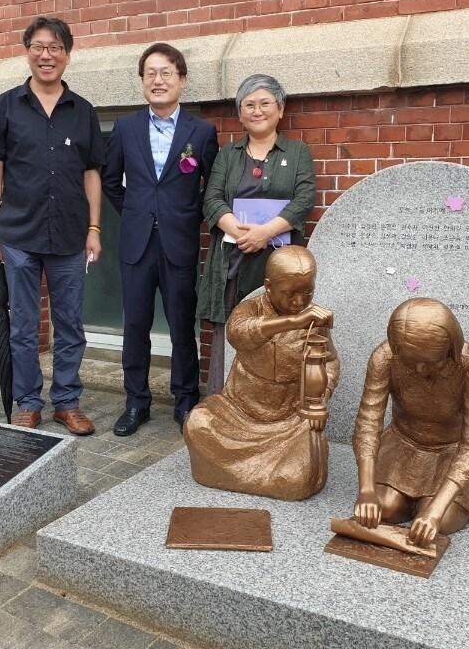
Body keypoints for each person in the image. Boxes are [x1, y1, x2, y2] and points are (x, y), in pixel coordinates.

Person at [0, 16, 104, 436]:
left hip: (70, 236)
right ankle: (28, 401)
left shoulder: (83, 111)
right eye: (39, 46)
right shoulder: (5, 107)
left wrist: (94, 229)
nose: (46, 55)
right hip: (18, 236)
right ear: (28, 51)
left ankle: (66, 401)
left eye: (55, 47)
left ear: (67, 54)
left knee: (70, 324)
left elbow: (91, 174)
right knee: (24, 325)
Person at [102, 43, 218, 435]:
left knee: (182, 324)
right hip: (136, 243)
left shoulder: (201, 132)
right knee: (135, 324)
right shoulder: (125, 128)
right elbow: (110, 182)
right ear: (141, 82)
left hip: (180, 241)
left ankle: (186, 400)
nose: (158, 80)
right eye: (150, 73)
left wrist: (186, 215)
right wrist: (137, 213)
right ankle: (136, 402)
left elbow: (212, 185)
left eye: (166, 72)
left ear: (181, 80)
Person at [184, 246, 339, 501]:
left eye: (307, 292)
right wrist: (292, 322)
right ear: (268, 286)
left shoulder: (316, 319)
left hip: (289, 420)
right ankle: (242, 475)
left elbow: (330, 362)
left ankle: (240, 474)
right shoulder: (249, 309)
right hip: (238, 412)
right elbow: (239, 333)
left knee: (298, 478)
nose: (299, 302)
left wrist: (320, 397)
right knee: (197, 423)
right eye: (289, 294)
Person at [197, 74, 316, 396]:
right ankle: (224, 400)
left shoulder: (297, 152)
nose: (257, 110)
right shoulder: (228, 154)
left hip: (278, 261)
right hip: (233, 257)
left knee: (276, 330)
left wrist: (264, 232)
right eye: (248, 104)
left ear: (280, 109)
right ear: (240, 113)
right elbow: (212, 198)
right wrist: (239, 231)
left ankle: (270, 404)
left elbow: (304, 199)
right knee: (235, 326)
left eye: (265, 103)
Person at [352, 298, 469, 547]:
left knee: (443, 522)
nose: (420, 370)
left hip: (451, 453)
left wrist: (435, 511)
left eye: (431, 363)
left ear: (450, 349)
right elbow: (368, 421)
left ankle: (428, 504)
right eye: (410, 361)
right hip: (402, 444)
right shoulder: (384, 357)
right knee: (383, 509)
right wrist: (366, 489)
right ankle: (405, 499)